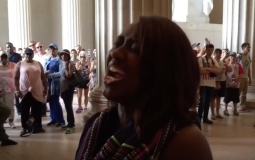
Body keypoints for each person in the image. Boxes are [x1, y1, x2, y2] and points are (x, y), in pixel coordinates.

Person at [75, 16, 212, 160]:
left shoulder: (186, 142)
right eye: (117, 44)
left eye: (135, 48)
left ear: (166, 69)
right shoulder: (97, 124)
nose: (115, 53)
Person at [14, 48, 47, 135]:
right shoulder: (20, 64)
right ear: (24, 55)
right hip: (24, 91)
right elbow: (16, 78)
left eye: (30, 54)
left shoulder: (38, 64)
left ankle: (38, 126)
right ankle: (24, 127)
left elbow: (43, 77)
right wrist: (17, 90)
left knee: (37, 109)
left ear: (33, 55)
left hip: (37, 89)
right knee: (25, 110)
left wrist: (45, 88)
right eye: (27, 54)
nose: (28, 56)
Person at [0, 54, 17, 128]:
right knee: (0, 107)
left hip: (10, 88)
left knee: (10, 106)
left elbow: (18, 73)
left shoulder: (13, 65)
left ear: (7, 59)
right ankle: (1, 122)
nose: (3, 60)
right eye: (1, 58)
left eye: (4, 58)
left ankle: (11, 122)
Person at [59, 51, 76, 134]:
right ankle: (70, 122)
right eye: (62, 55)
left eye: (65, 55)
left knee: (68, 106)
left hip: (68, 88)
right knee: (66, 106)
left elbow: (69, 75)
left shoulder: (70, 64)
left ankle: (71, 124)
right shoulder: (63, 64)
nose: (63, 56)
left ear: (68, 56)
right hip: (63, 88)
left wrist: (66, 67)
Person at [223, 52, 243, 116]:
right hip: (228, 84)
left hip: (236, 84)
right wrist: (228, 82)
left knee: (235, 98)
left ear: (236, 58)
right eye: (231, 56)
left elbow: (240, 74)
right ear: (229, 57)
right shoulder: (226, 65)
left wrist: (237, 82)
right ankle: (225, 109)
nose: (233, 58)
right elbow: (224, 75)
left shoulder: (239, 65)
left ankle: (235, 110)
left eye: (234, 57)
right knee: (227, 97)